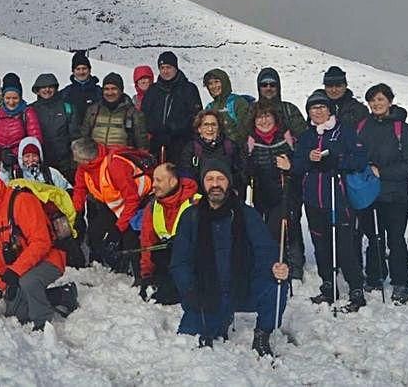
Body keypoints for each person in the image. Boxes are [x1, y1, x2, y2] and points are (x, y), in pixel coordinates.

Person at [169, 159, 289, 355]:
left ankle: (262, 334)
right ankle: (219, 317)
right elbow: (179, 262)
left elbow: (265, 250)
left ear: (228, 182)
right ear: (203, 183)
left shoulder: (247, 214)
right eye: (209, 179)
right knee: (189, 340)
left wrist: (275, 268)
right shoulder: (191, 216)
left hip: (241, 288)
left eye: (220, 178)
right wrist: (190, 290)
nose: (215, 184)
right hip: (206, 293)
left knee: (276, 284)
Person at [291, 90, 368, 311]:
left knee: (345, 244)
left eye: (322, 107)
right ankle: (328, 284)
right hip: (313, 199)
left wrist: (337, 160)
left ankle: (355, 287)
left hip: (339, 196)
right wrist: (308, 158)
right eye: (313, 108)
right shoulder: (306, 136)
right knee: (320, 243)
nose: (318, 111)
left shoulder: (344, 131)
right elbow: (296, 166)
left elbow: (360, 159)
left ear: (330, 109)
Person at [0, 162, 67, 331]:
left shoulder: (21, 201)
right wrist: (3, 282)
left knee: (29, 282)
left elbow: (42, 242)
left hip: (49, 258)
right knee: (18, 314)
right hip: (19, 267)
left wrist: (15, 271)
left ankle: (43, 324)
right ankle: (63, 295)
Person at [354, 83, 408, 304]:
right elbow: (356, 153)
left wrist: (381, 171)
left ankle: (401, 282)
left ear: (390, 101)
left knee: (396, 238)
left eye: (381, 99)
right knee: (374, 237)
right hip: (369, 192)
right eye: (373, 100)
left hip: (395, 194)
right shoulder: (362, 125)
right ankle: (375, 276)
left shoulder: (403, 129)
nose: (377, 103)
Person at [244, 101, 304, 280]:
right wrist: (249, 169)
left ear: (274, 118)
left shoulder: (286, 137)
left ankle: (294, 264)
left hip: (285, 189)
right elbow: (243, 166)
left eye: (267, 116)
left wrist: (289, 166)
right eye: (259, 117)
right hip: (262, 192)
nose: (264, 121)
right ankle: (273, 262)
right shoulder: (250, 141)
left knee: (289, 226)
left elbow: (300, 162)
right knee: (267, 229)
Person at [72, 139, 148, 272]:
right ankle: (107, 263)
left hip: (141, 201)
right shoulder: (84, 167)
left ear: (87, 160)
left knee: (129, 237)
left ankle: (137, 272)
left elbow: (132, 199)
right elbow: (80, 188)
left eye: (77, 158)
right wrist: (76, 212)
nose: (74, 160)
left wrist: (119, 228)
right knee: (96, 231)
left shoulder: (115, 165)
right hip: (113, 204)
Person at [138, 163, 199, 305]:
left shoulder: (196, 203)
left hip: (193, 265)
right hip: (166, 262)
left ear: (173, 181)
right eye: (154, 180)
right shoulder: (153, 206)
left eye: (159, 180)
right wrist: (146, 275)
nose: (153, 185)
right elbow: (147, 243)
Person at [141, 51, 202, 164]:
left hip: (182, 144)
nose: (165, 71)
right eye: (162, 67)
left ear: (175, 67)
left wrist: (173, 129)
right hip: (156, 144)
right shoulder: (153, 90)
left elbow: (196, 117)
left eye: (168, 67)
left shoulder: (188, 89)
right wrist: (155, 130)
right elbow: (144, 114)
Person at [178, 110, 246, 198]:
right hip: (199, 197)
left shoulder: (230, 146)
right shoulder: (191, 148)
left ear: (219, 128)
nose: (210, 129)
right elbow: (185, 176)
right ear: (199, 128)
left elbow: (240, 174)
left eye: (213, 125)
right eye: (206, 125)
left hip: (225, 196)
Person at [80, 72, 148, 151]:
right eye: (106, 89)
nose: (110, 93)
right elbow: (83, 139)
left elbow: (142, 146)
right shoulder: (93, 111)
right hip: (97, 158)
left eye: (114, 89)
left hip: (121, 159)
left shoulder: (133, 114)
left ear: (121, 90)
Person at [0, 80, 43, 171]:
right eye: (7, 98)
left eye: (15, 98)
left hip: (21, 163)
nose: (11, 102)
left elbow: (34, 140)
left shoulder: (27, 113)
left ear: (20, 97)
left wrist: (19, 157)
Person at [29, 73, 76, 176]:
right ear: (37, 90)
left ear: (55, 88)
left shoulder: (66, 108)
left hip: (64, 162)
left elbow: (74, 135)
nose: (47, 90)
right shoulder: (30, 109)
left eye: (50, 87)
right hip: (40, 161)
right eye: (43, 87)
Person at [250, 68, 308, 138]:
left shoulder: (289, 109)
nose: (268, 88)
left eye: (272, 84)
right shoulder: (252, 109)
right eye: (264, 85)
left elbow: (303, 136)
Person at [0, 137, 72, 192]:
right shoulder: (15, 174)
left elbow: (66, 188)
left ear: (40, 157)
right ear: (21, 158)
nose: (31, 160)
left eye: (34, 156)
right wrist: (5, 169)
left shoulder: (50, 173)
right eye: (27, 156)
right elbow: (2, 187)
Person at [203, 69, 252, 144]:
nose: (213, 86)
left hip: (237, 149)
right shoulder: (209, 107)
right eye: (210, 83)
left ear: (224, 82)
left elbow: (244, 130)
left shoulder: (237, 102)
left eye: (216, 82)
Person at [61, 50, 101, 115]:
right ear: (73, 71)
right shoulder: (66, 92)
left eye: (84, 68)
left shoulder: (98, 91)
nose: (81, 72)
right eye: (78, 69)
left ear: (89, 70)